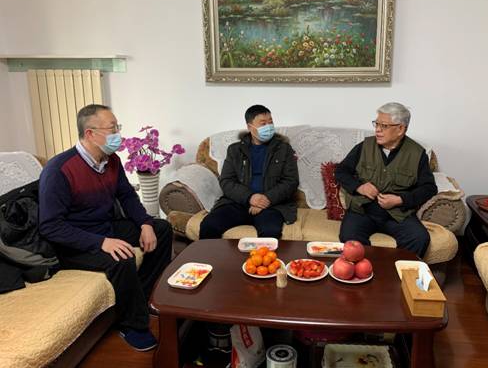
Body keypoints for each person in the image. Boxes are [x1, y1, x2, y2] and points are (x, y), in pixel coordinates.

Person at [38, 104, 172, 352]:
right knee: (122, 258)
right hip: (75, 243)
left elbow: (127, 196)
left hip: (105, 227)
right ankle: (132, 325)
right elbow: (50, 226)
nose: (118, 135)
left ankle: (142, 298)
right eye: (112, 129)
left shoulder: (111, 160)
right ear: (90, 134)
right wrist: (101, 243)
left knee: (161, 229)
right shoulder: (59, 170)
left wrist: (145, 223)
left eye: (117, 127)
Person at [335, 102, 437, 257]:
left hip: (397, 215)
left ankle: (395, 271)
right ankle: (366, 269)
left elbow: (429, 188)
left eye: (384, 126)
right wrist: (360, 187)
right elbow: (341, 171)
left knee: (419, 238)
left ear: (400, 129)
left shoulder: (417, 154)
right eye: (376, 124)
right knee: (349, 237)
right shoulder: (364, 146)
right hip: (362, 212)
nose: (377, 129)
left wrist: (400, 200)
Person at [199, 105, 299, 239]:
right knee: (209, 225)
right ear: (250, 127)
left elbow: (291, 181)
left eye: (271, 122)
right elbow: (227, 181)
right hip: (238, 203)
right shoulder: (235, 150)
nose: (269, 127)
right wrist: (250, 198)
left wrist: (266, 199)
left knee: (270, 231)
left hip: (272, 205)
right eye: (263, 123)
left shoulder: (284, 149)